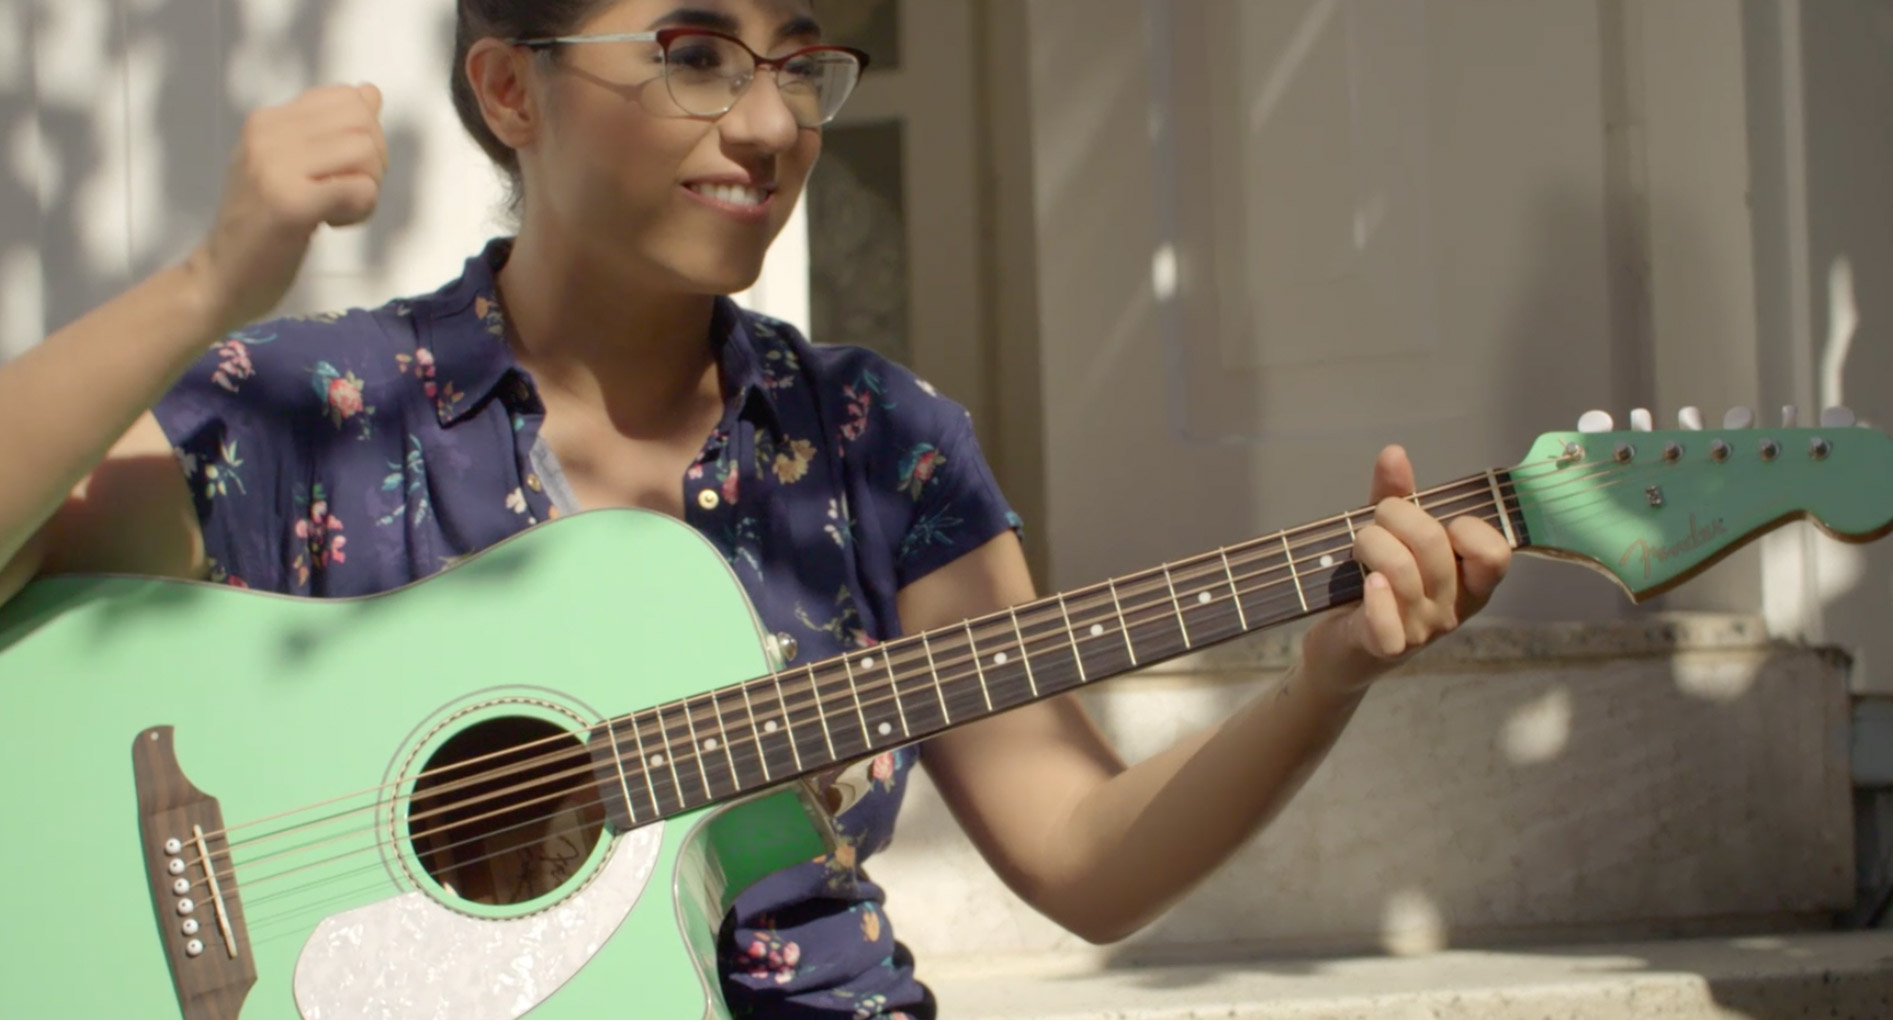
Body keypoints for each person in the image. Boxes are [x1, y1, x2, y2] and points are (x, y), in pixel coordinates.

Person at [0, 0, 1513, 1016]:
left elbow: (1082, 854)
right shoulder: (313, 410)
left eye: (798, 63)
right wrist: (208, 283)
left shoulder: (879, 443)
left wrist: (1325, 678)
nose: (773, 123)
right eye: (697, 55)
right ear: (512, 86)